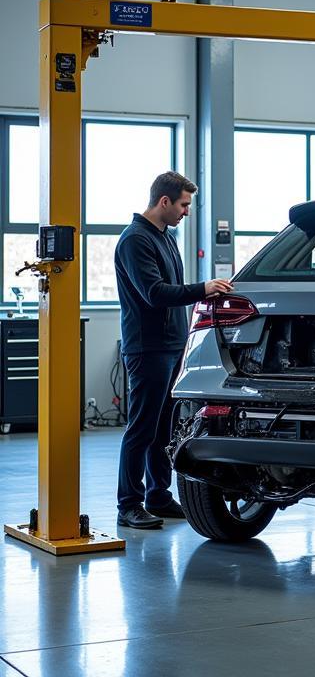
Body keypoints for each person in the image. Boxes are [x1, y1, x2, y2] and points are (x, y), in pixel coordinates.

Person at [114, 172, 232, 529]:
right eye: (183, 205)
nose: (186, 212)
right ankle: (129, 504)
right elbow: (155, 293)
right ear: (164, 201)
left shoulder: (166, 237)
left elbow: (171, 289)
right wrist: (204, 289)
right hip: (147, 348)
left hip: (171, 345)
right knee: (142, 428)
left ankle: (158, 496)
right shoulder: (135, 240)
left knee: (165, 427)